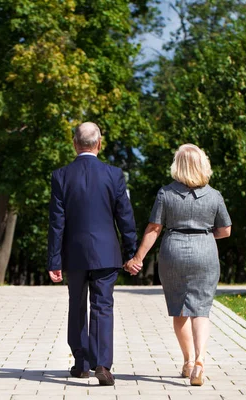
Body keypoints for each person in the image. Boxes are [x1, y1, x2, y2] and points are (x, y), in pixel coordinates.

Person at [125, 144, 231, 386]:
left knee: (179, 309)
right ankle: (201, 360)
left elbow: (154, 228)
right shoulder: (214, 195)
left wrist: (138, 258)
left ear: (178, 166)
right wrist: (204, 236)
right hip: (205, 251)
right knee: (201, 309)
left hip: (173, 250)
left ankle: (188, 361)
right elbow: (225, 230)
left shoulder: (166, 193)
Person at [47, 122, 137, 386]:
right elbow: (125, 217)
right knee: (102, 306)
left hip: (73, 254)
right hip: (106, 253)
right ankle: (102, 365)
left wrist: (54, 259)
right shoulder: (114, 175)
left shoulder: (61, 176)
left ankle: (81, 363)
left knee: (77, 304)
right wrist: (131, 252)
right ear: (99, 144)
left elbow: (56, 222)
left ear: (75, 143)